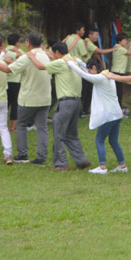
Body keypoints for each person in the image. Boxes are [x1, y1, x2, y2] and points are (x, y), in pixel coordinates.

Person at [66, 56, 127, 174]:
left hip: (108, 115)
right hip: (117, 113)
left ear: (94, 68)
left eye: (90, 69)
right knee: (113, 141)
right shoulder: (106, 75)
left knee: (99, 140)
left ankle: (102, 167)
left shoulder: (101, 78)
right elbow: (88, 72)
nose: (89, 71)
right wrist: (79, 62)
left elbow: (85, 75)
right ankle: (122, 165)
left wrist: (70, 64)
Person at [37, 42, 90, 171]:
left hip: (65, 103)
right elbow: (53, 61)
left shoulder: (60, 63)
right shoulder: (74, 61)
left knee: (59, 133)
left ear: (57, 52)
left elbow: (40, 66)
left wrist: (31, 56)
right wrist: (48, 53)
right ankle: (81, 160)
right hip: (77, 102)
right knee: (71, 134)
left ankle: (61, 164)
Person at [1, 32, 52, 165]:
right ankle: (41, 157)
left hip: (28, 98)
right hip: (45, 97)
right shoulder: (46, 56)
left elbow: (8, 70)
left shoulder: (27, 57)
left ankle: (22, 154)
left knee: (21, 124)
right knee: (42, 127)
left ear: (28, 43)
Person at [3, 33, 22, 132]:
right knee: (15, 104)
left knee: (5, 103)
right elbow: (24, 58)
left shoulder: (4, 51)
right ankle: (12, 127)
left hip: (5, 80)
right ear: (17, 42)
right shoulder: (19, 52)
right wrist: (17, 51)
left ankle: (1, 125)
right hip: (15, 81)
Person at [110, 33, 130, 110]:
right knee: (119, 91)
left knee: (118, 90)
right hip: (118, 72)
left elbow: (126, 48)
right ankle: (118, 106)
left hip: (115, 71)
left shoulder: (117, 47)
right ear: (119, 41)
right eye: (124, 40)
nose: (126, 42)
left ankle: (118, 105)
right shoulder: (121, 49)